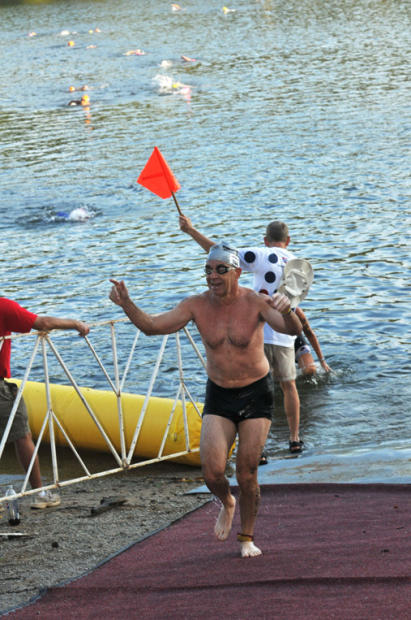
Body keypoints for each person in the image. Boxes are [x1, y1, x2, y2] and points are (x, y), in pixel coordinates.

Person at [109, 242, 301, 557]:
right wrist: (126, 304)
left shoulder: (256, 302)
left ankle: (246, 537)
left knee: (247, 472)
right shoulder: (195, 305)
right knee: (212, 472)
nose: (212, 276)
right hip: (219, 393)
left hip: (255, 393)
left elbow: (291, 330)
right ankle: (227, 501)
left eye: (220, 269)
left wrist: (288, 309)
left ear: (237, 272)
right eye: (208, 270)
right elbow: (152, 328)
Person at [179, 214, 304, 454]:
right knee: (289, 386)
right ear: (288, 240)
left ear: (265, 240)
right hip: (284, 331)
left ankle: (258, 448)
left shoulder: (262, 254)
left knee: (259, 385)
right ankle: (294, 438)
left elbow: (221, 255)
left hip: (254, 330)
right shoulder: (297, 263)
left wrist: (191, 231)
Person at [0, 297, 89, 509]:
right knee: (22, 435)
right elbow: (43, 323)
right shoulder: (3, 306)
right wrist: (75, 323)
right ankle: (39, 493)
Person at [294, 307, 332, 376]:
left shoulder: (296, 311)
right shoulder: (271, 312)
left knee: (310, 370)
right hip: (277, 346)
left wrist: (322, 361)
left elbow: (310, 334)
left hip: (296, 343)